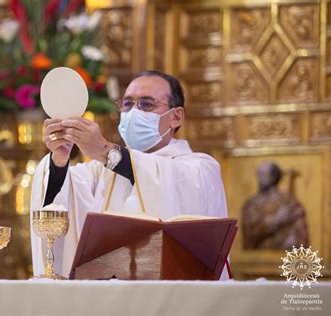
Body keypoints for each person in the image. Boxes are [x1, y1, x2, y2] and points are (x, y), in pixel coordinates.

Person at [30, 70, 228, 278]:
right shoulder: (100, 170)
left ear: (176, 117)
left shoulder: (201, 169)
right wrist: (60, 160)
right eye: (127, 104)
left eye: (146, 104)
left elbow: (170, 180)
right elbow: (64, 197)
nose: (134, 112)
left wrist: (106, 152)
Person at [242, 162, 308, 250]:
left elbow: (300, 229)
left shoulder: (289, 202)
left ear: (274, 176)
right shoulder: (252, 204)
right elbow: (251, 230)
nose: (259, 178)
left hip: (285, 257)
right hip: (259, 256)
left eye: (263, 174)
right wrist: (275, 220)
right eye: (258, 174)